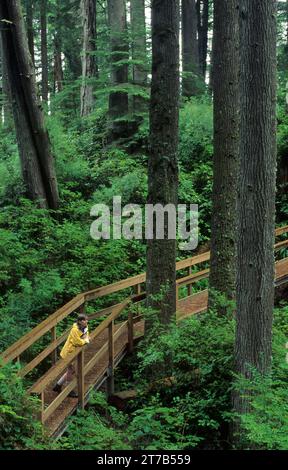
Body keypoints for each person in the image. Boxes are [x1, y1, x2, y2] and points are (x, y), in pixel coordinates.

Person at [53, 314, 90, 397]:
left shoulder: (85, 327)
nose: (86, 321)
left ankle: (58, 386)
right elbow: (77, 342)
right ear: (80, 321)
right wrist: (85, 341)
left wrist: (85, 339)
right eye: (84, 320)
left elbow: (86, 336)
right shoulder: (75, 330)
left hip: (74, 352)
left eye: (86, 320)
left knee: (71, 370)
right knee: (71, 370)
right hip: (68, 353)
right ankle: (68, 389)